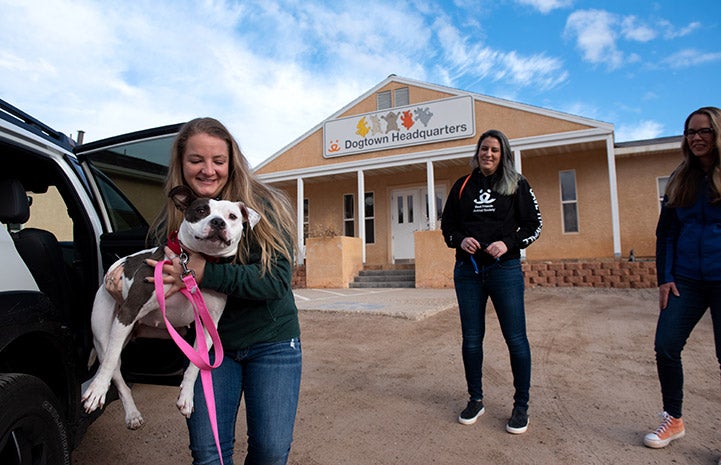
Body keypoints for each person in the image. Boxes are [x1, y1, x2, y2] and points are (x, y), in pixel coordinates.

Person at [105, 117, 302, 465]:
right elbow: (156, 279)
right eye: (196, 160)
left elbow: (274, 281)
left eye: (218, 161)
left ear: (232, 162)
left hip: (270, 342)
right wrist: (121, 276)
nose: (208, 170)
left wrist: (202, 272)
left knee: (270, 453)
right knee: (209, 454)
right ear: (181, 164)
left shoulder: (263, 207)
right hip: (209, 348)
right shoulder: (174, 219)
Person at [441, 129, 542, 434]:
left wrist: (508, 244)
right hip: (469, 272)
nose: (488, 154)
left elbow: (533, 226)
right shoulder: (462, 186)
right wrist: (461, 240)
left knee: (516, 339)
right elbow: (448, 228)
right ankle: (475, 399)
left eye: (495, 150)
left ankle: (521, 406)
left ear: (504, 154)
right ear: (478, 151)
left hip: (504, 271)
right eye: (484, 149)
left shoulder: (517, 184)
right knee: (472, 339)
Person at [645, 106, 721, 450]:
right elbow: (667, 234)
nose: (696, 138)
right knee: (666, 345)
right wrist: (666, 277)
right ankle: (673, 419)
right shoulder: (681, 178)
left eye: (704, 131)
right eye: (691, 132)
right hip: (686, 280)